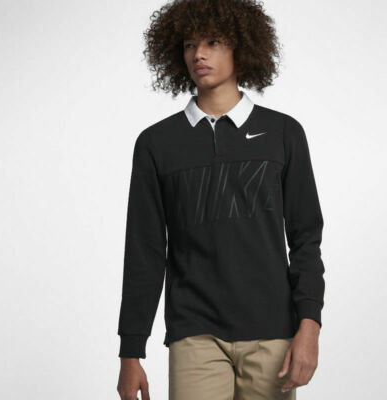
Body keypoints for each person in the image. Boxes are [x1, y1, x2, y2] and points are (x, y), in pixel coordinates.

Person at [117, 1, 325, 399]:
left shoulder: (283, 133)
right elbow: (144, 251)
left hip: (273, 333)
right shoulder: (157, 144)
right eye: (189, 44)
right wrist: (131, 351)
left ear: (241, 47)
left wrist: (309, 326)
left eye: (213, 42)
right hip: (194, 333)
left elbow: (306, 239)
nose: (199, 54)